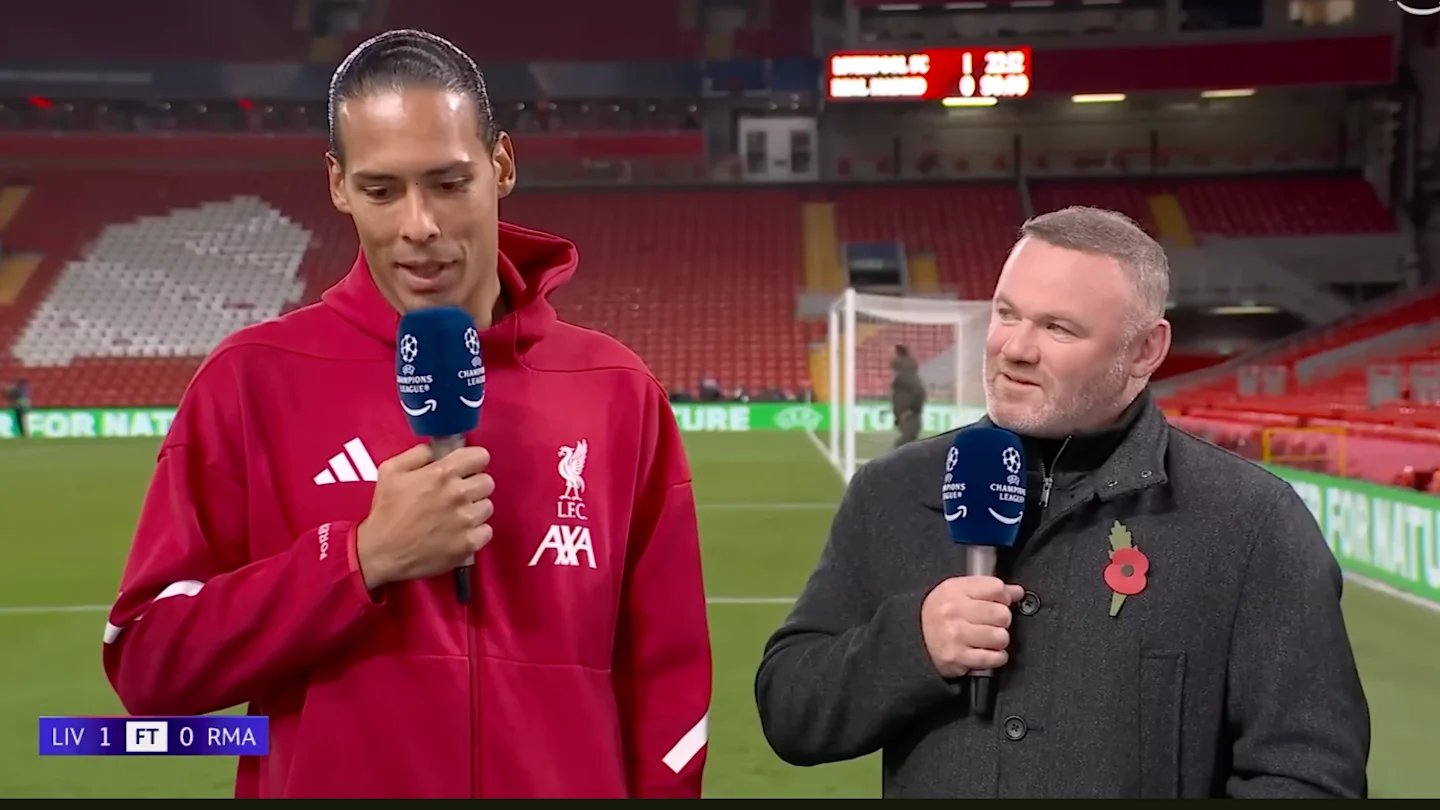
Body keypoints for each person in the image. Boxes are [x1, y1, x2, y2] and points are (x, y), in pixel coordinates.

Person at [102, 29, 711, 799]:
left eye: (448, 183)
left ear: (501, 165)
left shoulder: (615, 389)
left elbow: (669, 688)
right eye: (382, 190)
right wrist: (358, 559)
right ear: (338, 185)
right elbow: (148, 663)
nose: (417, 224)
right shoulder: (251, 380)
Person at [753, 206, 1370, 798]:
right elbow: (789, 710)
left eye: (1058, 327)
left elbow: (1308, 773)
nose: (1015, 348)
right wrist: (912, 645)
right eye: (1006, 313)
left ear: (1145, 350)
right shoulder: (893, 490)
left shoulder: (1251, 522)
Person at [890, 344, 926, 448]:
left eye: (892, 353)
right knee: (910, 441)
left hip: (908, 413)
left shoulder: (905, 374)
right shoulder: (904, 373)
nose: (889, 356)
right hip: (907, 412)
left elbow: (918, 391)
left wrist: (910, 409)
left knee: (906, 441)